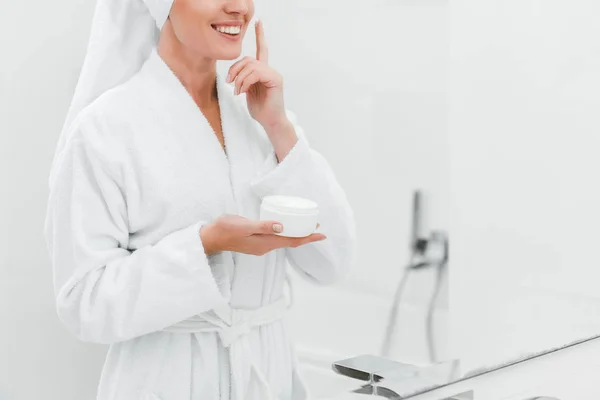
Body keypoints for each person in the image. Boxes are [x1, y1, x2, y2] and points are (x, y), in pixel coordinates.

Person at [43, 0, 357, 399]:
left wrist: (279, 127)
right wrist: (205, 245)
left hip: (267, 375)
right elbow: (84, 303)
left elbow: (333, 263)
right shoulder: (105, 130)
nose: (240, 7)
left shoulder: (261, 119)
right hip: (166, 379)